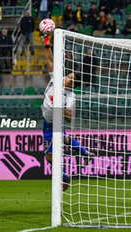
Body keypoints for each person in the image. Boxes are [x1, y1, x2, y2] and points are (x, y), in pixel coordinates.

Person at [40, 34, 94, 191]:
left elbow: (69, 117)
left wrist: (59, 106)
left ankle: (64, 177)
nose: (66, 77)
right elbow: (50, 61)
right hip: (47, 120)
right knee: (64, 140)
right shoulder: (56, 79)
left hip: (53, 122)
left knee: (49, 156)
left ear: (73, 84)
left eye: (69, 77)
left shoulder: (70, 96)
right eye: (67, 75)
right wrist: (47, 44)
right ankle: (85, 153)